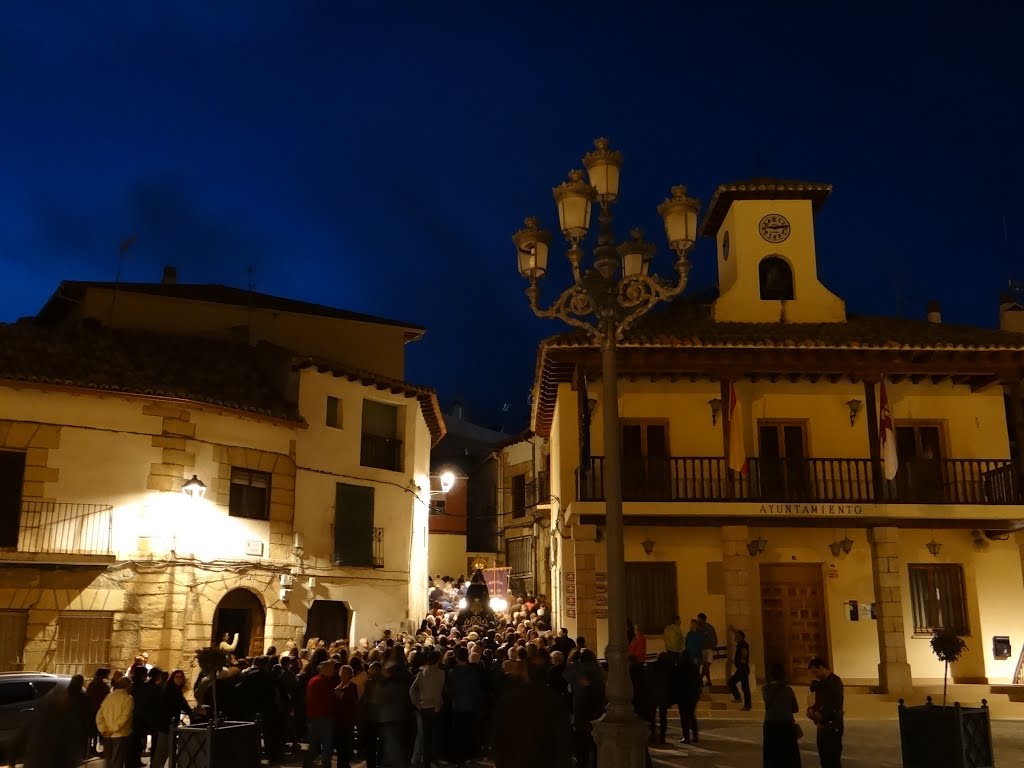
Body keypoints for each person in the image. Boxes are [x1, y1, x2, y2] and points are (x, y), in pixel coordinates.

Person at [150, 669, 193, 768]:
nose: (179, 679)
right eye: (177, 677)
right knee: (162, 752)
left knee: (168, 751)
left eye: (181, 677)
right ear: (173, 678)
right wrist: (191, 714)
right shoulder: (171, 689)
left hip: (169, 725)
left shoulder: (174, 689)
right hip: (166, 726)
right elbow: (182, 704)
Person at [409, 649, 444, 768]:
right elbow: (440, 692)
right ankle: (431, 758)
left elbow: (412, 691)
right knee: (434, 735)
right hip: (435, 707)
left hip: (423, 707)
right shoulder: (441, 674)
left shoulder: (420, 674)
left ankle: (426, 760)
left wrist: (417, 703)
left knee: (426, 735)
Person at [807, 658, 843, 768]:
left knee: (832, 759)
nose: (815, 676)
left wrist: (822, 714)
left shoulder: (835, 681)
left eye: (816, 672)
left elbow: (835, 703)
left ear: (821, 667)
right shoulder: (820, 683)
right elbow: (817, 702)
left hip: (832, 725)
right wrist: (811, 712)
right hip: (821, 726)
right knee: (824, 759)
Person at [763, 664, 801, 768]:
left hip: (770, 723)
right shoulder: (788, 690)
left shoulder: (765, 689)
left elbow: (767, 704)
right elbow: (795, 708)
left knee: (771, 756)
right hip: (787, 723)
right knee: (789, 756)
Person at [304, 659, 339, 768]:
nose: (334, 671)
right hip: (325, 717)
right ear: (326, 670)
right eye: (332, 669)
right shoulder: (325, 682)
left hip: (314, 716)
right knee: (327, 745)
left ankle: (307, 765)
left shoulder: (313, 680)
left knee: (314, 744)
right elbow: (330, 700)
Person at [97, 677, 135, 768]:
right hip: (120, 734)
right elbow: (125, 717)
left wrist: (103, 729)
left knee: (108, 762)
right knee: (118, 762)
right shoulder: (128, 698)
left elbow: (99, 715)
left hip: (107, 735)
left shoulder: (109, 696)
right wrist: (113, 729)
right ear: (127, 686)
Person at [335, 664, 359, 768]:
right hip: (339, 720)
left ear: (350, 675)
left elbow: (349, 701)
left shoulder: (352, 687)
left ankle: (344, 764)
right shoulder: (339, 685)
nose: (342, 675)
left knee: (345, 744)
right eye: (341, 672)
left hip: (347, 720)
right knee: (339, 744)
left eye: (345, 673)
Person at [86, 667, 111, 757]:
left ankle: (92, 749)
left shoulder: (92, 684)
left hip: (92, 710)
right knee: (101, 730)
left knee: (93, 731)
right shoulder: (103, 685)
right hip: (100, 710)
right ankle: (99, 749)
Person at [728, 629, 752, 710]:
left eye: (736, 636)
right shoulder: (740, 643)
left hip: (742, 669)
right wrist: (733, 630)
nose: (735, 637)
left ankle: (743, 702)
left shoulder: (743, 645)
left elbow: (744, 652)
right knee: (744, 687)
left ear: (740, 637)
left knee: (732, 682)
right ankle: (743, 702)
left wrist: (743, 659)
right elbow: (738, 634)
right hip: (742, 669)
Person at [696, 613, 718, 688]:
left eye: (699, 619)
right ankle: (709, 681)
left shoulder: (710, 628)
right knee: (701, 666)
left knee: (706, 666)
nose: (698, 620)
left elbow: (715, 638)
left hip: (708, 649)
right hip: (700, 649)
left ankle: (699, 680)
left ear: (703, 619)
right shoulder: (697, 628)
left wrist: (713, 647)